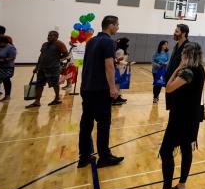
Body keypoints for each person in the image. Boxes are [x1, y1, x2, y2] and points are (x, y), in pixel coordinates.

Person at [144, 42, 205, 189]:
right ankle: (181, 185)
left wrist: (178, 68)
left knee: (165, 151)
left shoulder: (187, 71)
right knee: (186, 148)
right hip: (192, 117)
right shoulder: (200, 69)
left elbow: (169, 87)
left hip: (181, 117)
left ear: (187, 55)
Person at [77, 15, 123, 168]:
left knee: (86, 124)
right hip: (100, 89)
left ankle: (84, 157)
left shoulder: (91, 41)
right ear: (110, 25)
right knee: (103, 124)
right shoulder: (109, 42)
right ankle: (104, 156)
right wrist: (112, 87)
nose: (117, 28)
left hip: (87, 88)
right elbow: (108, 66)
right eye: (116, 25)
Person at [27, 30, 68, 108]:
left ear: (56, 37)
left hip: (53, 68)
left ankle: (56, 98)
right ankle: (37, 101)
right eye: (48, 35)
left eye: (51, 35)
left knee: (55, 84)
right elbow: (41, 56)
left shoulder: (60, 44)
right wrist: (37, 66)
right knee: (39, 84)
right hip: (42, 68)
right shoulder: (44, 44)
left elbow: (66, 54)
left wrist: (58, 59)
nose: (49, 37)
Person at [165, 23, 190, 110]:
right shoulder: (176, 45)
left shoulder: (188, 47)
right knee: (171, 107)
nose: (174, 33)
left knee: (176, 108)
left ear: (183, 33)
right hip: (170, 79)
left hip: (178, 82)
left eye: (176, 31)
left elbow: (186, 66)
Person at [0, 36, 16, 101]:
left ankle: (7, 96)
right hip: (0, 66)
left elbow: (12, 57)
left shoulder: (11, 47)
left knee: (6, 80)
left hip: (8, 67)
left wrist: (3, 59)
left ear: (4, 42)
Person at [113, 37, 131, 105]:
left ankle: (118, 97)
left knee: (119, 84)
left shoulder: (122, 50)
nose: (128, 44)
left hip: (122, 69)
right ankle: (114, 98)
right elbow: (118, 61)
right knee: (117, 84)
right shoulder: (120, 51)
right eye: (127, 42)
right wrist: (127, 63)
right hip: (118, 69)